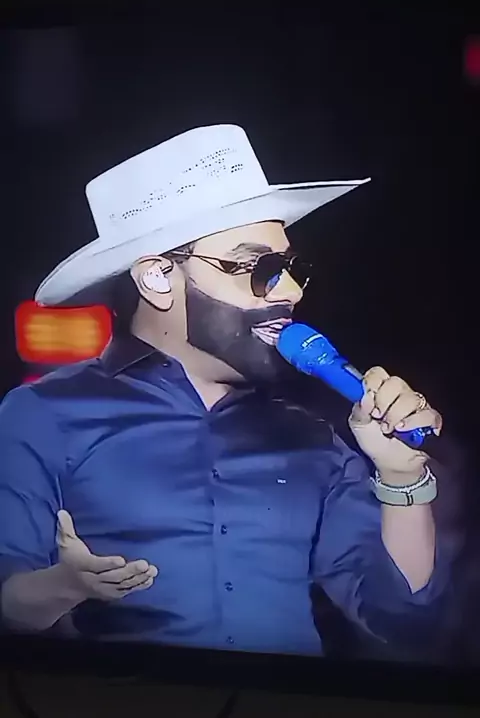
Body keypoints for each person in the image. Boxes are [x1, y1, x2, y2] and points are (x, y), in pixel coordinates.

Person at [0, 124, 448, 655]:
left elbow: (402, 620)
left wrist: (402, 477)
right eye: (258, 268)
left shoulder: (311, 436)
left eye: (291, 268)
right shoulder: (46, 414)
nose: (288, 291)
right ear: (158, 278)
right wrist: (63, 587)